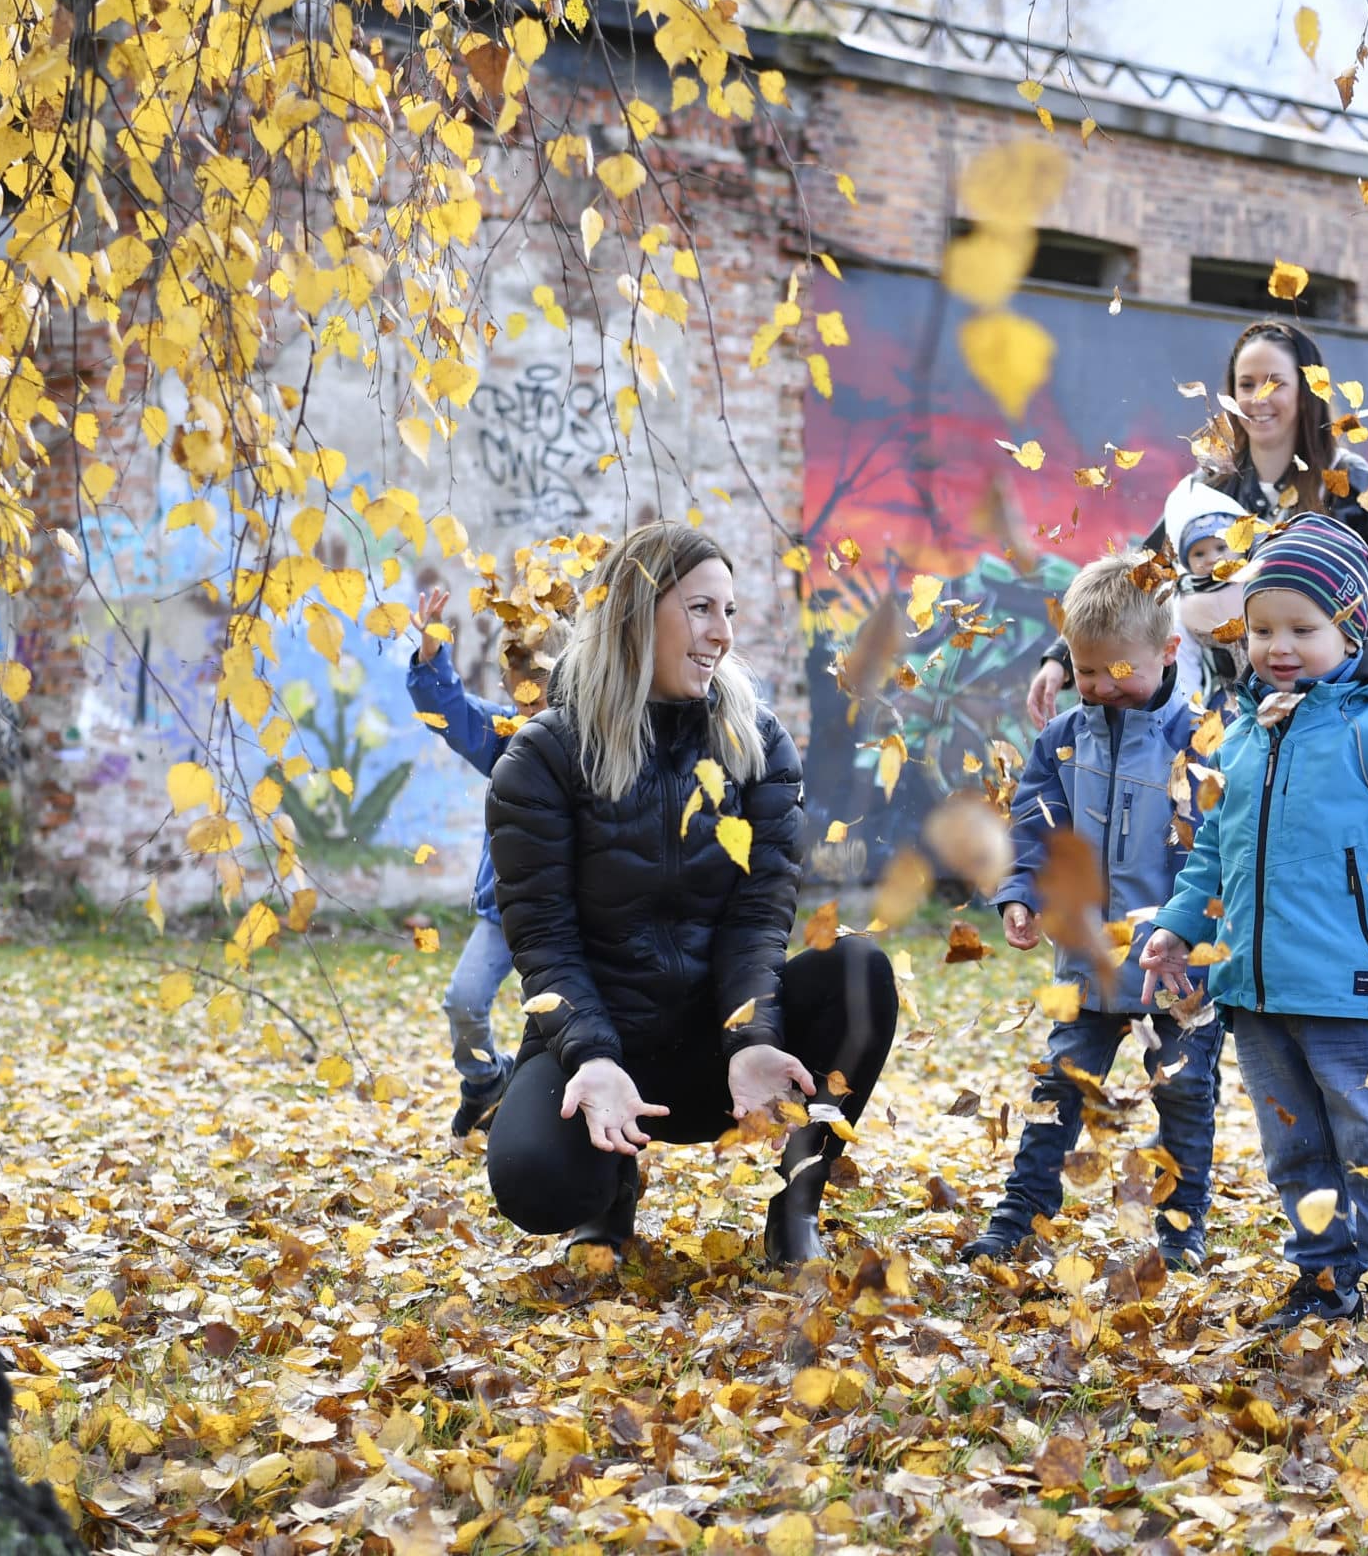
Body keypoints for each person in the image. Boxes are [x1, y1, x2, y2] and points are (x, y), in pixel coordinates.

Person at [482, 521, 900, 1266]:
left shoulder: (756, 744)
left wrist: (754, 1038)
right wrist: (592, 1057)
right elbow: (543, 941)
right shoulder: (544, 757)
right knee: (535, 1184)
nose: (721, 634)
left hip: (719, 1051)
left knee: (858, 970)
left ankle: (796, 1207)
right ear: (638, 614)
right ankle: (609, 1194)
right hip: (604, 1051)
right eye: (701, 609)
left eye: (729, 612)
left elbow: (758, 921)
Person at [1138, 513, 1368, 1352]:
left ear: (1351, 627)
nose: (1278, 646)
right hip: (1253, 988)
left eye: (1302, 628)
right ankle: (1325, 1278)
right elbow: (1213, 850)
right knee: (1292, 1144)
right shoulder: (1244, 737)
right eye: (1260, 629)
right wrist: (1180, 928)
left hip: (1352, 988)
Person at [1025, 320, 1368, 748]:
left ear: (1307, 387)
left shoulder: (1350, 481)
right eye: (1246, 384)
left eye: (1274, 382)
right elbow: (1140, 578)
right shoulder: (1209, 484)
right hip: (1229, 713)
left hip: (1332, 707)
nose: (1257, 398)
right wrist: (1063, 659)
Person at [964, 551, 1226, 1272]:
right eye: (1086, 673)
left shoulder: (1201, 743)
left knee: (1186, 1092)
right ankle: (1020, 1216)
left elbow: (1225, 853)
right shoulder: (1062, 741)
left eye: (1120, 672)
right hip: (1083, 959)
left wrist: (1199, 934)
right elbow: (1032, 825)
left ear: (1168, 652)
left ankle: (1181, 1227)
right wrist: (1021, 892)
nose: (1102, 688)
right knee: (1059, 1085)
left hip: (1178, 972)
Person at [402, 584, 555, 1139]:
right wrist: (430, 655)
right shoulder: (507, 740)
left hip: (566, 917)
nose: (527, 708)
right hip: (505, 911)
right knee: (464, 1003)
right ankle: (485, 1083)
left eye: (538, 695)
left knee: (557, 1025)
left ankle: (538, 1114)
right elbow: (451, 713)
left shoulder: (588, 743)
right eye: (518, 696)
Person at [1161, 473, 1251, 715]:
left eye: (1221, 547)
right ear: (1186, 560)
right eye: (1199, 554)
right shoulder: (1185, 602)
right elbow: (1186, 661)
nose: (1212, 558)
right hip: (1228, 698)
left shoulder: (1257, 581)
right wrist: (1189, 707)